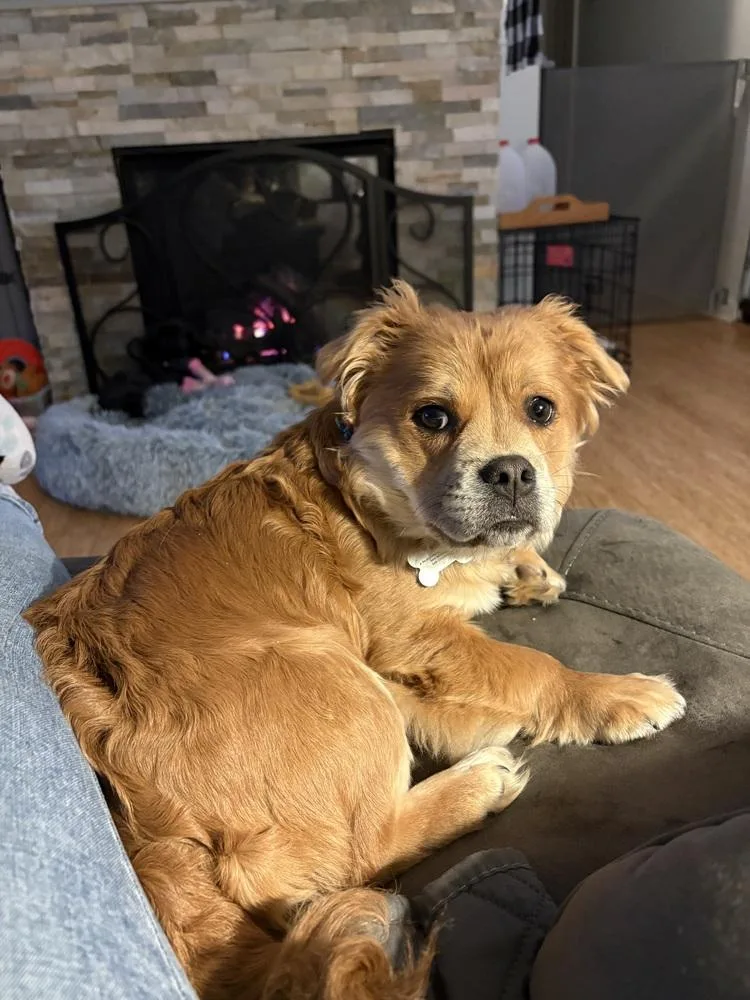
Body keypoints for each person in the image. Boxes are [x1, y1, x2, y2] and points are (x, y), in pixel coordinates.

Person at [2, 392, 749, 1000]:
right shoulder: (341, 521)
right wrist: (564, 693)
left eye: (538, 412)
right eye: (435, 417)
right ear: (357, 406)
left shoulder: (374, 513)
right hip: (240, 772)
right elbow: (421, 653)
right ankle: (388, 831)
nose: (504, 453)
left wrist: (501, 556)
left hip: (202, 749)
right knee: (338, 669)